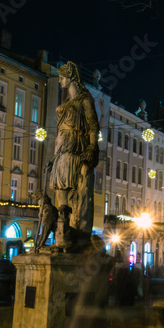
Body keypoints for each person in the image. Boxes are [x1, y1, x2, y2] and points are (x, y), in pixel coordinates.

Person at [47, 61, 100, 251]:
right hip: (61, 148)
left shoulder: (85, 99)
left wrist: (92, 147)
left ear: (71, 78)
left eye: (62, 77)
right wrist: (53, 158)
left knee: (69, 188)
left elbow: (93, 125)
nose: (60, 80)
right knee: (60, 189)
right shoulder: (67, 102)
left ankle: (70, 235)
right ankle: (63, 233)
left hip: (75, 147)